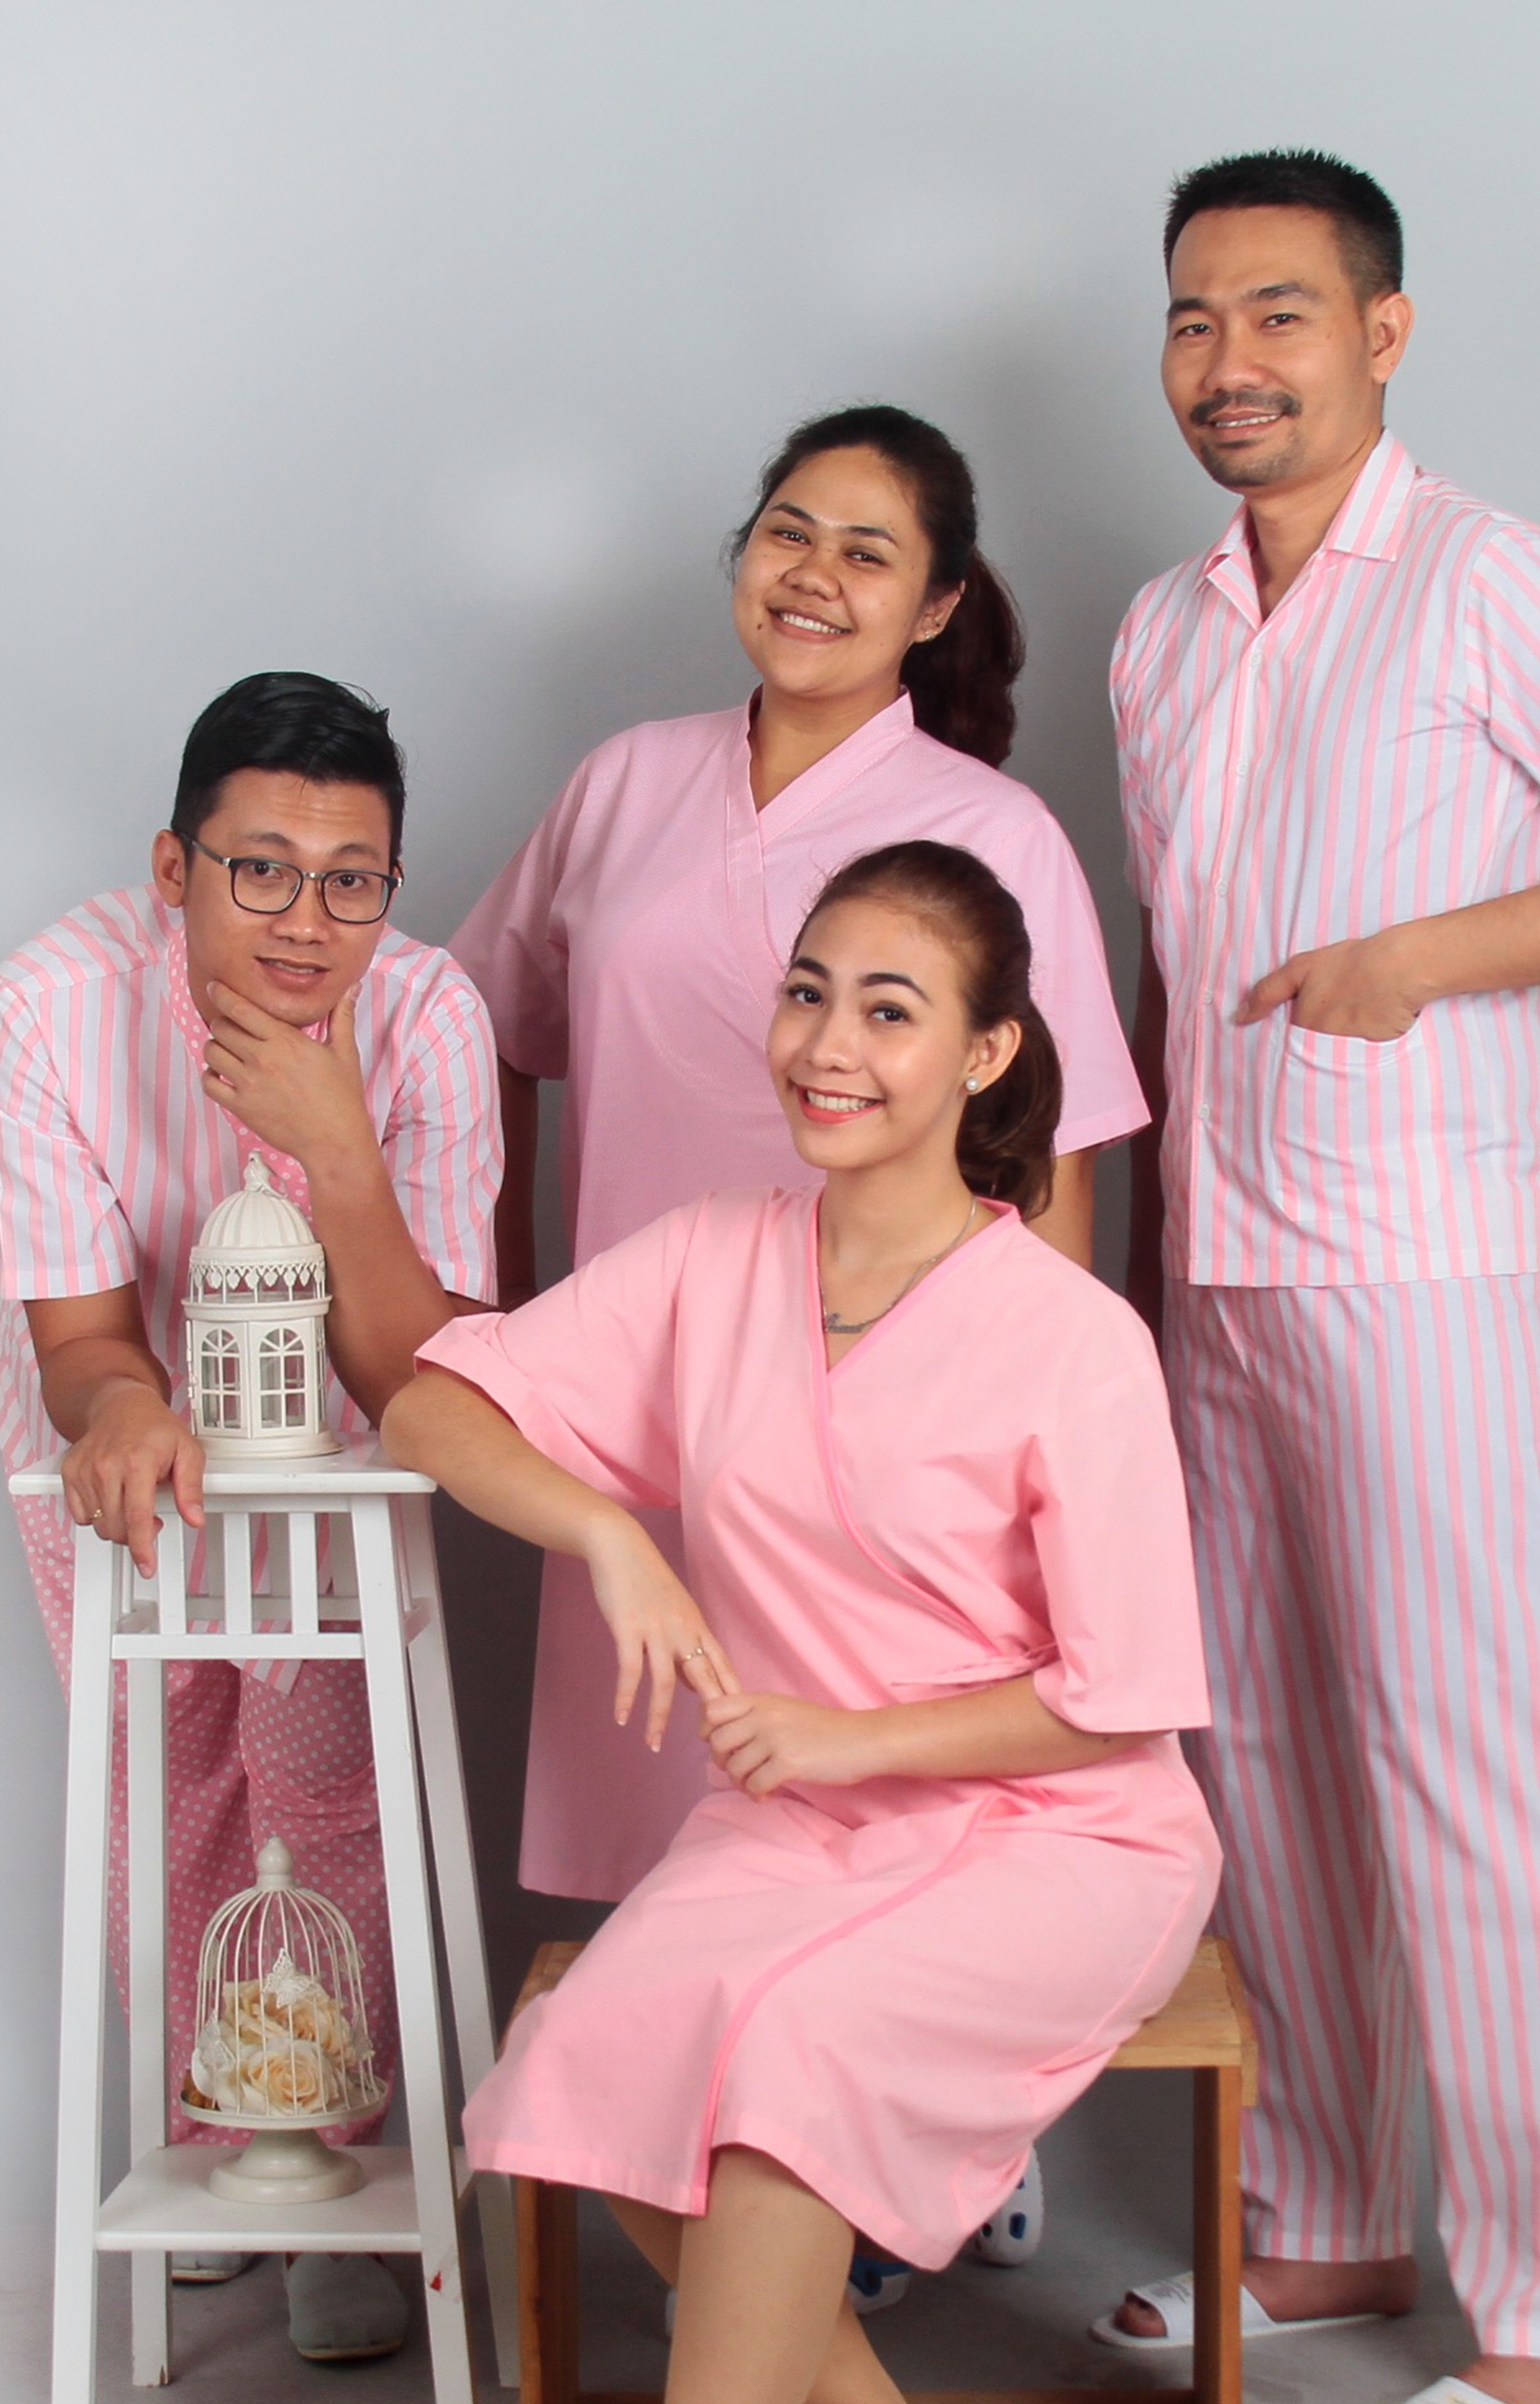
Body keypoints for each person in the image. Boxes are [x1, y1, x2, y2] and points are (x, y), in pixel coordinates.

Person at [1088, 152, 1540, 2404]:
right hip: (1219, 1266)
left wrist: (1423, 958)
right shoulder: (1161, 630)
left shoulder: (1488, 580)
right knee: (1263, 1754)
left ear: (1382, 333)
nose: (1229, 364)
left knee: (1488, 1767)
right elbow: (1176, 968)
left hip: (1422, 1259)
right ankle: (1318, 2221)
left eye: (1278, 314)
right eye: (1193, 319)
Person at [385, 842, 1216, 2404]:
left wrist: (851, 1739)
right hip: (799, 1826)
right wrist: (606, 1528)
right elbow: (436, 1399)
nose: (828, 1044)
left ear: (988, 1053)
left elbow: (1122, 1698)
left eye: (889, 1010)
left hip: (1066, 1832)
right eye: (808, 992)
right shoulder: (711, 1262)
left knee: (785, 2064)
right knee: (591, 2071)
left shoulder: (1070, 1337)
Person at [453, 404, 1149, 1916]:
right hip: (639, 1381)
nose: (814, 575)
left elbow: (1054, 1175)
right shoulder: (622, 785)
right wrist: (493, 1298)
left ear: (937, 605)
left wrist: (1032, 1465)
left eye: (867, 552)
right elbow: (475, 1026)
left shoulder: (995, 832)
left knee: (868, 1849)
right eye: (787, 533)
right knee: (661, 1838)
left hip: (892, 1436)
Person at [0, 670, 499, 2366]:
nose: (306, 919)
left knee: (324, 1796)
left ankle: (327, 2167)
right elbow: (76, 1336)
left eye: (352, 879)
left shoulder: (427, 1017)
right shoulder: (51, 1003)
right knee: (169, 1797)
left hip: (339, 1468)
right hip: (110, 1462)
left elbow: (424, 1371)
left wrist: (337, 1152)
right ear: (173, 866)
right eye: (259, 868)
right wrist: (123, 1407)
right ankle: (216, 2144)